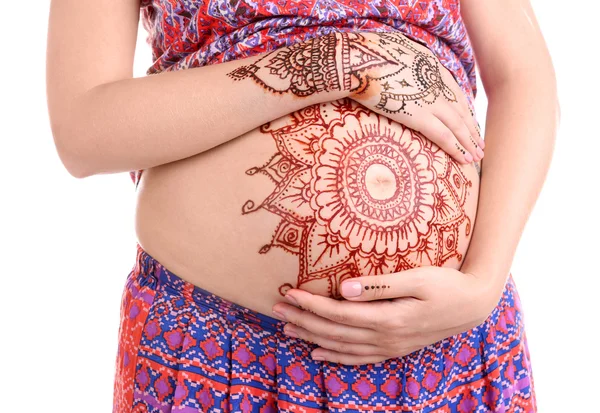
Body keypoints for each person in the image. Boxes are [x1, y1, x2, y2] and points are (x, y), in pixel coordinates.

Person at [46, 0, 557, 411]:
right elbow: (83, 131)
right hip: (214, 348)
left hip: (444, 346)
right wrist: (329, 64)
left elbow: (524, 76)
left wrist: (483, 285)